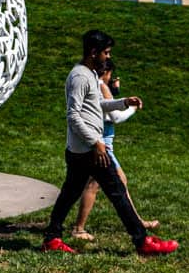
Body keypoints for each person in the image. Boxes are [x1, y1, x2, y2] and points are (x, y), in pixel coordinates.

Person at [41, 29, 177, 256]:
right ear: (93, 52)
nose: (107, 57)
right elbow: (73, 115)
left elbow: (96, 107)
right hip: (89, 150)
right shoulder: (80, 77)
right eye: (106, 52)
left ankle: (52, 238)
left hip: (81, 149)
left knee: (70, 194)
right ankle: (142, 241)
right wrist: (96, 142)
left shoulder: (90, 75)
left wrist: (124, 102)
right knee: (117, 192)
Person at [69, 59, 158, 241]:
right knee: (92, 184)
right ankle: (78, 228)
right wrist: (132, 107)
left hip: (102, 142)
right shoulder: (99, 85)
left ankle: (137, 222)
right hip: (101, 144)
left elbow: (107, 107)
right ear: (106, 72)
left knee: (116, 182)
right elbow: (115, 117)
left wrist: (118, 94)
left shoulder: (98, 84)